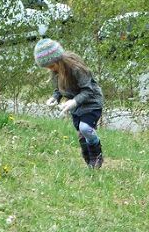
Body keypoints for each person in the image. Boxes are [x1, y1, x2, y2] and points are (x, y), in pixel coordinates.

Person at [34, 38, 105, 168]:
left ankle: (97, 155)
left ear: (58, 60)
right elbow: (59, 89)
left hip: (91, 102)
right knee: (81, 134)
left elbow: (88, 90)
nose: (50, 69)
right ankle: (90, 162)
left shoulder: (76, 69)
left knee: (85, 128)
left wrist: (74, 101)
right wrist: (55, 98)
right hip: (76, 107)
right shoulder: (56, 71)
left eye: (51, 66)